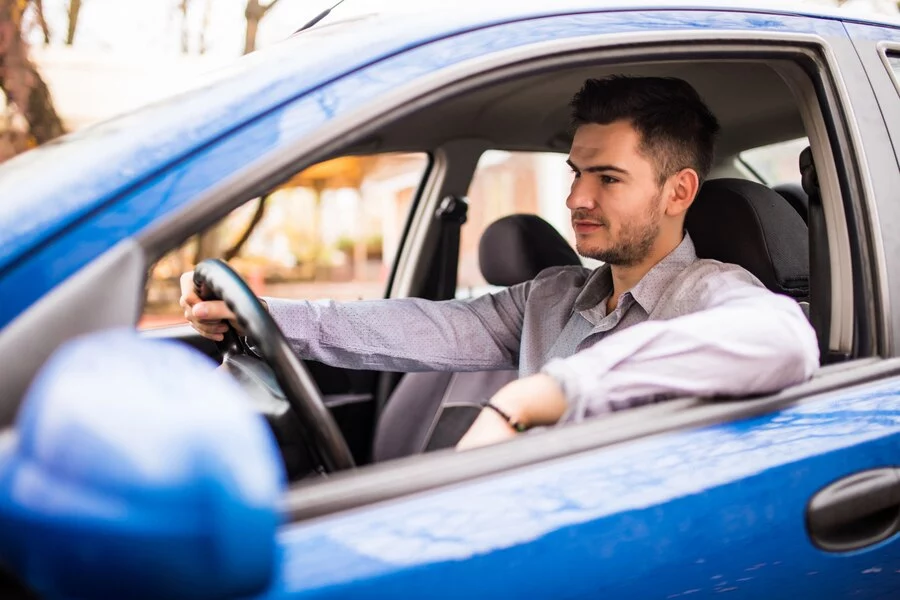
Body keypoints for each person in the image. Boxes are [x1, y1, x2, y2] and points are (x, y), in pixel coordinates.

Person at [179, 75, 819, 451]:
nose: (576, 199)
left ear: (678, 191)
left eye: (608, 178)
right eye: (575, 173)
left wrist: (541, 394)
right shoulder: (552, 296)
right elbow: (419, 328)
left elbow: (786, 338)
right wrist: (264, 314)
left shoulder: (710, 291)